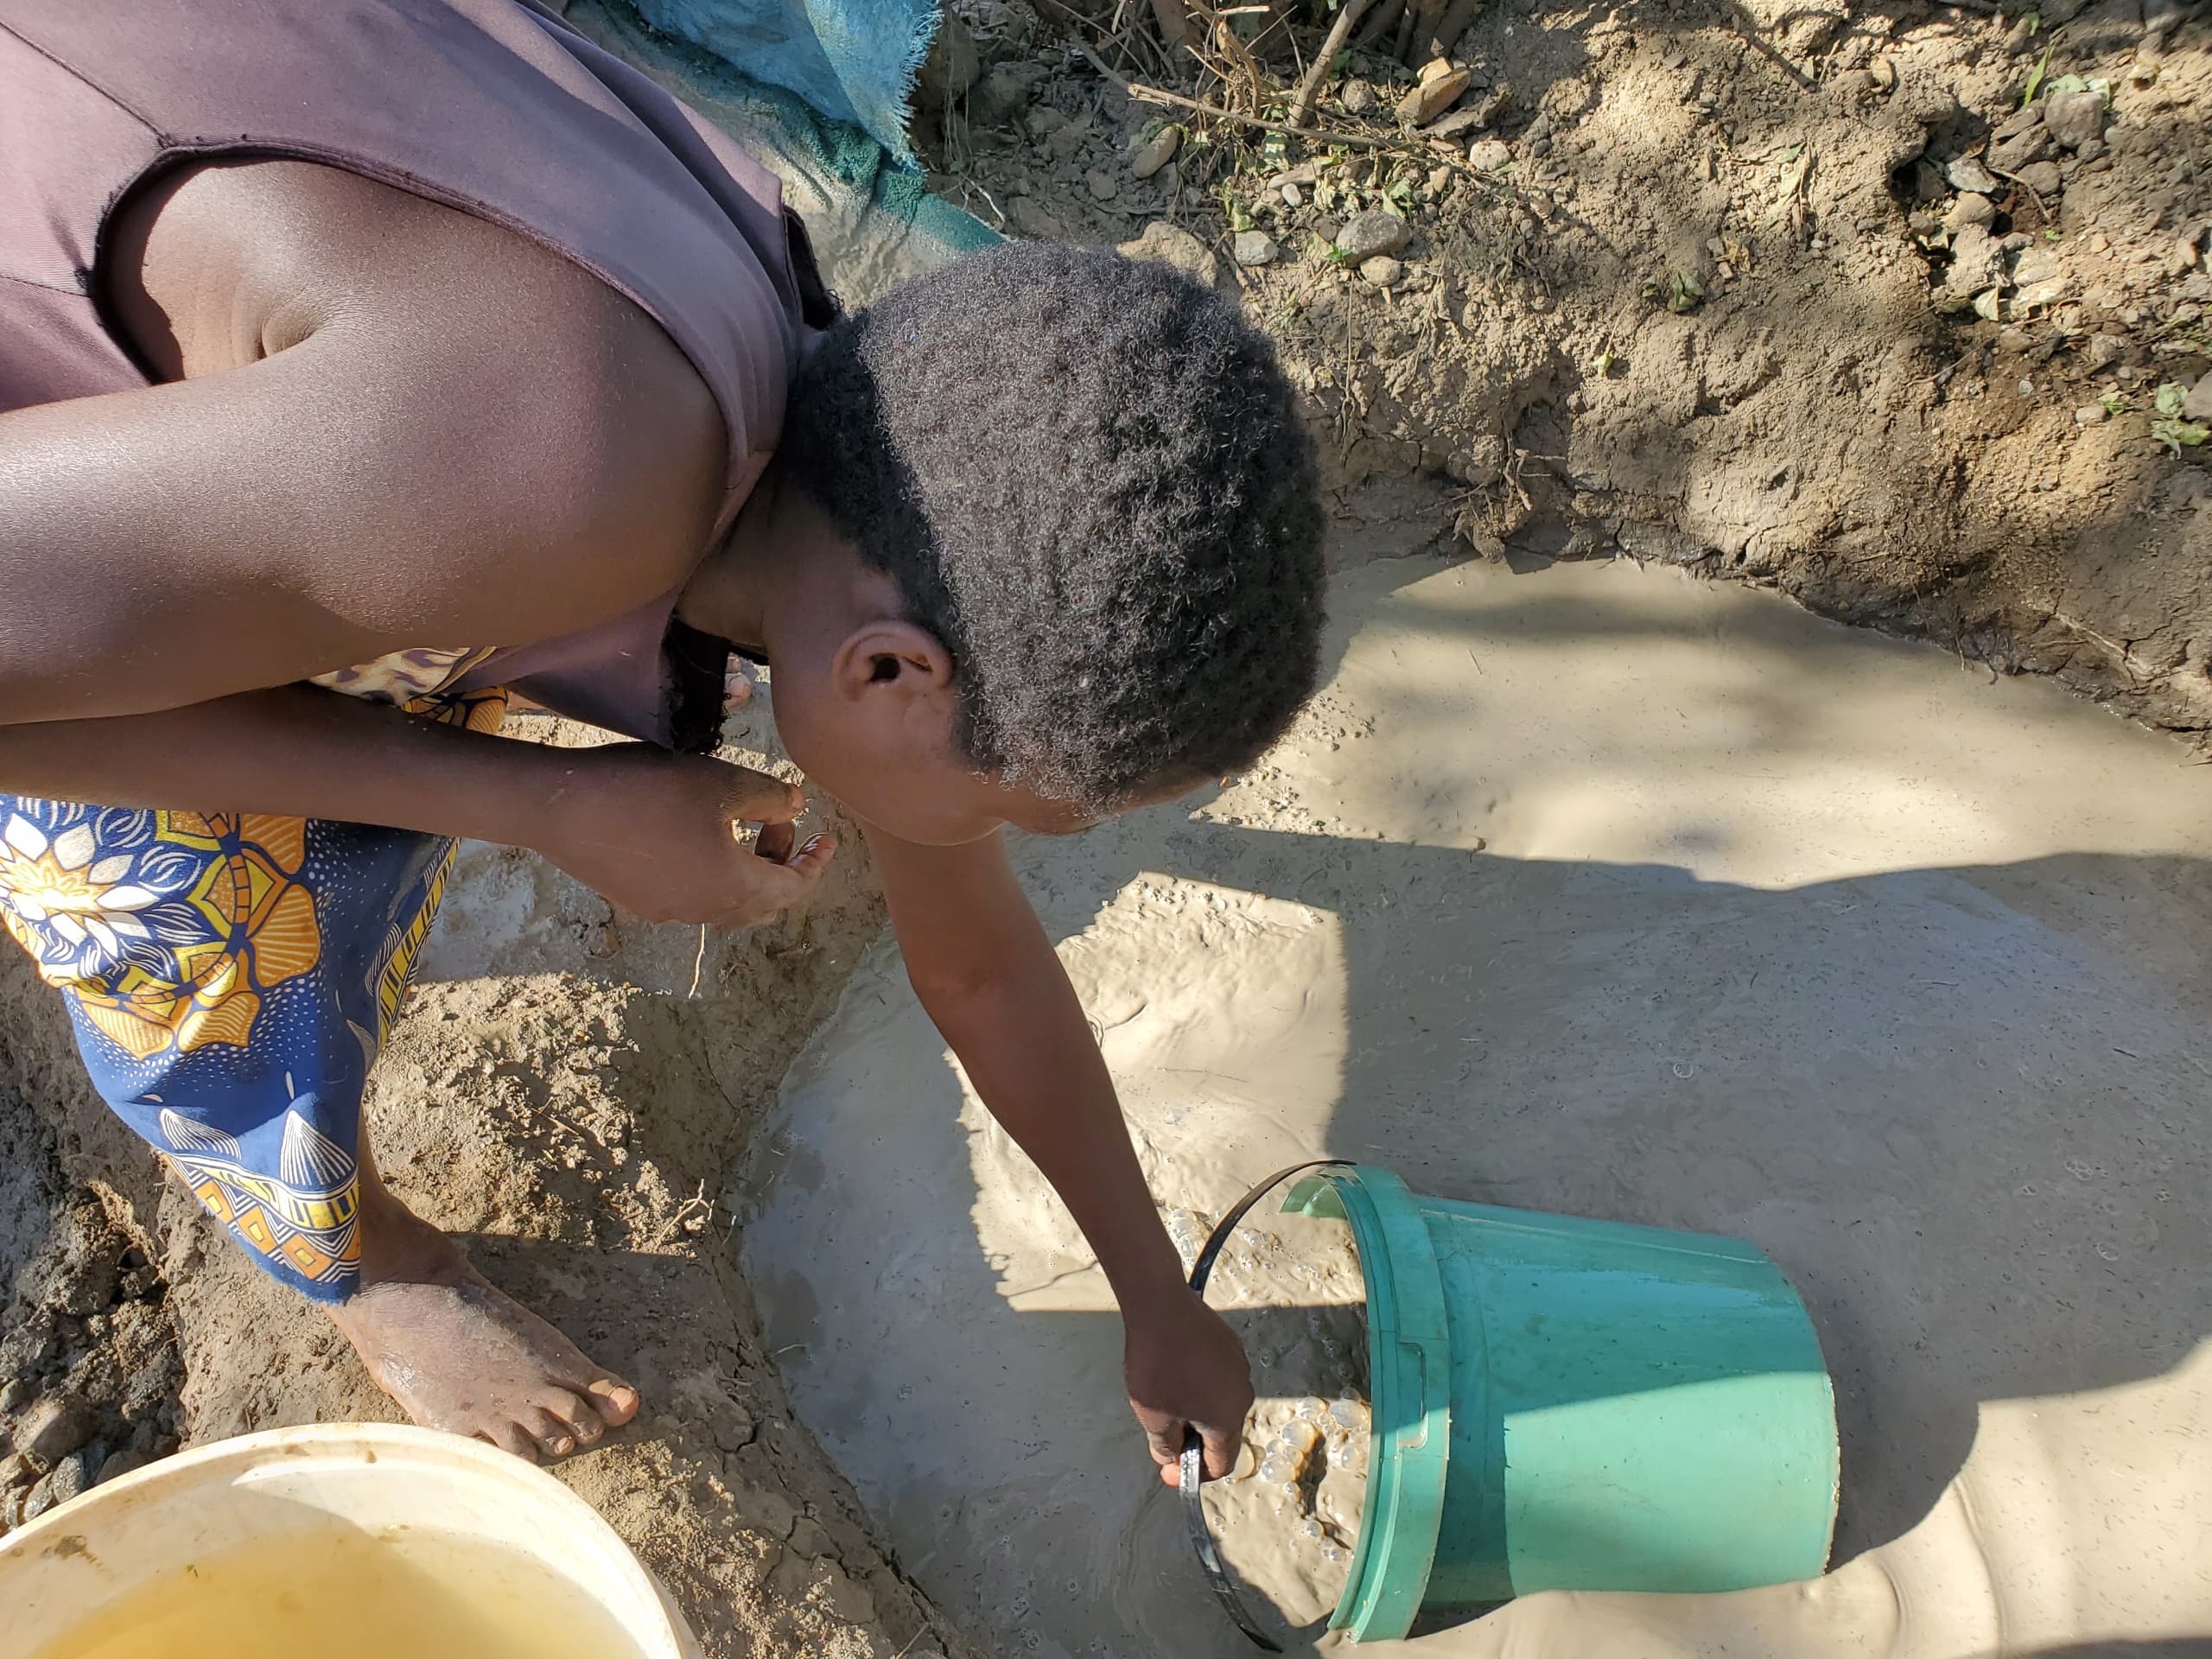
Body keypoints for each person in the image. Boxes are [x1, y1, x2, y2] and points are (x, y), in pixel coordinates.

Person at [0, 0, 1325, 1478]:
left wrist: (1158, 1299)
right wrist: (540, 803)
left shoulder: (849, 456)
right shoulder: (538, 472)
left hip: (273, 364)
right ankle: (362, 1255)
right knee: (209, 899)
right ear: (889, 674)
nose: (995, 843)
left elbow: (975, 960)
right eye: (1024, 811)